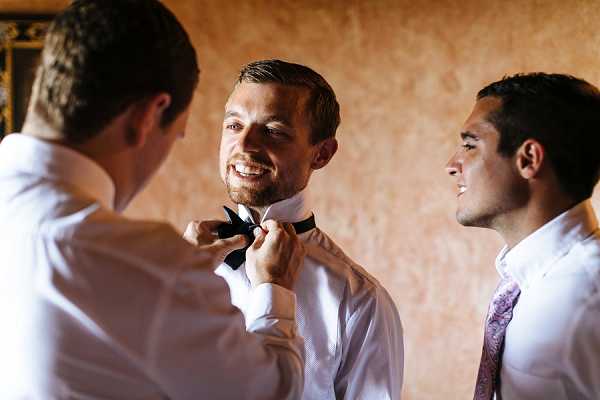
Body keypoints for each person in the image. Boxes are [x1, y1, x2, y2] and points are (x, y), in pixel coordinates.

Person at [0, 1, 306, 399]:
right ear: (149, 115)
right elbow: (272, 393)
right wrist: (274, 288)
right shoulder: (150, 266)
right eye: (175, 134)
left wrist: (168, 277)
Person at [184, 59, 404, 399]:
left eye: (273, 131)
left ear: (322, 154)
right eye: (234, 125)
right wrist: (173, 276)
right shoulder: (180, 268)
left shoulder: (359, 300)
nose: (244, 145)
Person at [446, 73, 600, 399]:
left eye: (470, 144)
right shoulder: (528, 282)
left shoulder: (590, 296)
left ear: (528, 159)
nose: (452, 164)